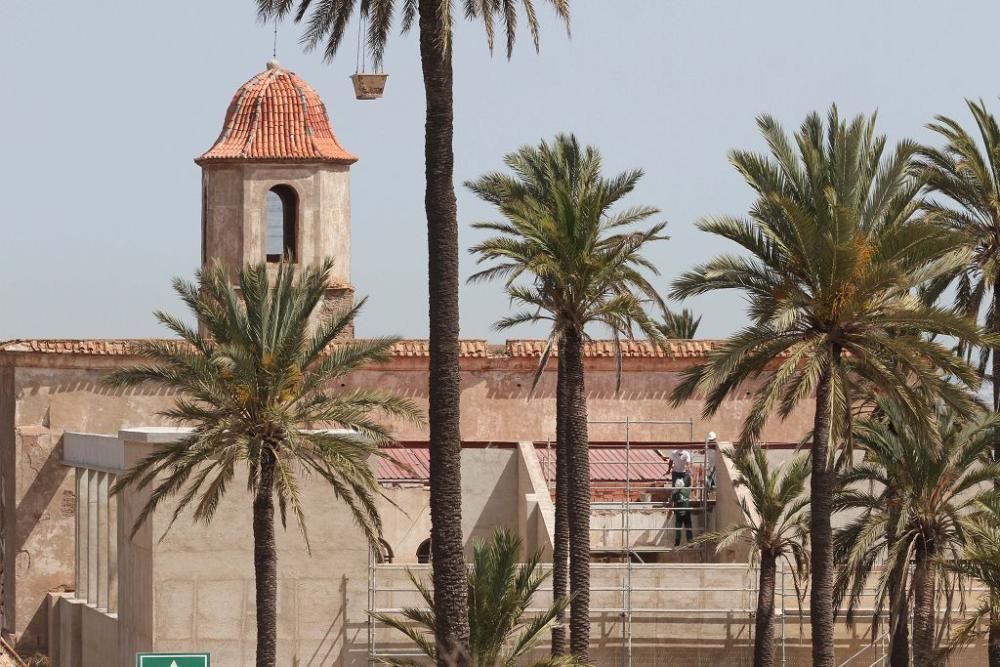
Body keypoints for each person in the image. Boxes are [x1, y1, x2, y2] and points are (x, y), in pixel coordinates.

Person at [671, 478, 694, 547]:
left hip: (679, 513)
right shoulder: (686, 490)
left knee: (678, 528)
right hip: (686, 513)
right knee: (688, 528)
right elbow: (692, 486)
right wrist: (692, 478)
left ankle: (677, 542)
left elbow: (673, 503)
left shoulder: (674, 494)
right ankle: (690, 543)